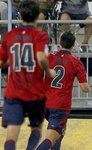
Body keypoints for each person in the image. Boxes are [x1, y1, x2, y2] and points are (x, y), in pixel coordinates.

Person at [0, 0, 56, 150]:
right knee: (36, 129)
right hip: (34, 92)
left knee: (12, 134)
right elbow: (41, 57)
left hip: (13, 92)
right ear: (38, 15)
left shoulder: (10, 35)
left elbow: (2, 62)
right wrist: (48, 71)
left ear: (20, 15)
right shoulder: (39, 35)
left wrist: (13, 61)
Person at [36, 32, 90, 150]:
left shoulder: (50, 57)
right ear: (73, 45)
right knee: (50, 139)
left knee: (60, 133)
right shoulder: (76, 62)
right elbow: (85, 88)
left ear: (59, 43)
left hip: (45, 104)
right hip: (60, 105)